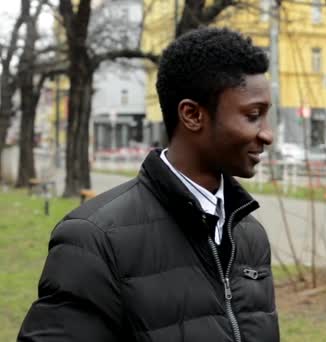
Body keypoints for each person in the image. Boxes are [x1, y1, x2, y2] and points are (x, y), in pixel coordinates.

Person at [18, 27, 279, 342]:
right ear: (192, 115)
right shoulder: (93, 240)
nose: (267, 135)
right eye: (253, 116)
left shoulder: (249, 235)